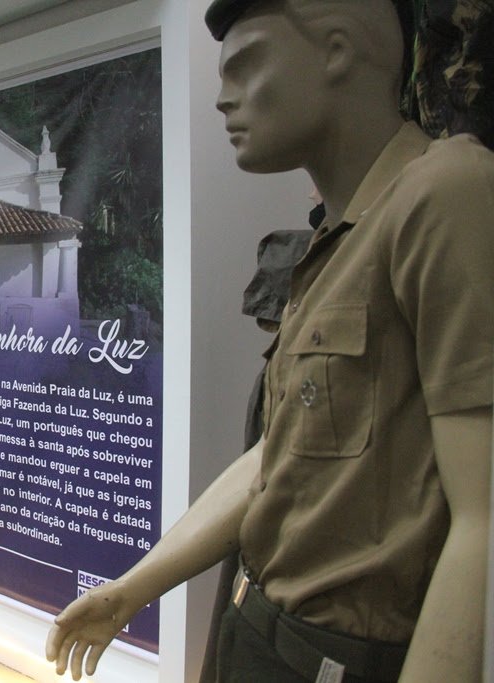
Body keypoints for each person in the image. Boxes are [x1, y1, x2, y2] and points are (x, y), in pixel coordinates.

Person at [45, 1, 494, 681]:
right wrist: (134, 586)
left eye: (247, 65)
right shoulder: (333, 244)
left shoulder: (444, 194)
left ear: (338, 50)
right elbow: (273, 460)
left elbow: (482, 520)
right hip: (252, 631)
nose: (223, 99)